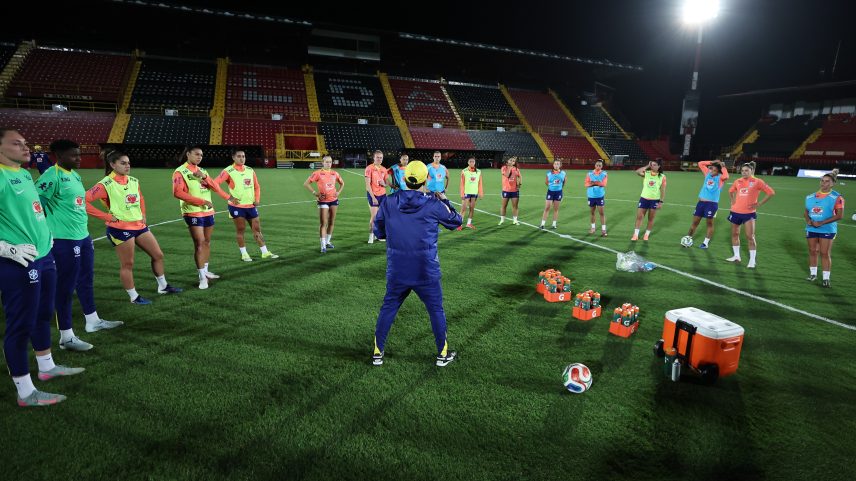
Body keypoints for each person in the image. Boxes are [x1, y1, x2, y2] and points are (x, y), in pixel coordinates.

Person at [1, 128, 84, 407]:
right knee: (20, 324)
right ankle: (25, 392)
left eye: (25, 143)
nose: (26, 148)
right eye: (17, 143)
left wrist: (47, 239)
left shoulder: (24, 173)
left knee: (44, 313)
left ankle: (46, 366)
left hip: (44, 255)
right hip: (19, 261)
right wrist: (7, 249)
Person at [371, 160, 462, 367]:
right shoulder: (433, 203)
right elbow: (456, 221)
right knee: (436, 310)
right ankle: (442, 354)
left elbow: (379, 231)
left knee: (388, 308)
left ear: (405, 178)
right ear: (425, 180)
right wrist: (445, 200)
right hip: (425, 270)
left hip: (398, 268)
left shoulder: (389, 202)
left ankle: (378, 353)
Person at [37, 140, 123, 353]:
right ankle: (66, 337)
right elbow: (37, 208)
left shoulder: (74, 175)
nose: (79, 158)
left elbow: (79, 204)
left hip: (83, 237)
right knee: (65, 287)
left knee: (86, 279)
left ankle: (92, 321)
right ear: (58, 155)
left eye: (79, 154)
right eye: (74, 155)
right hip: (63, 240)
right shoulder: (51, 176)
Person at [86, 149, 183, 304]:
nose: (127, 166)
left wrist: (143, 214)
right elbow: (83, 201)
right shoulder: (106, 184)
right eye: (123, 163)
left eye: (128, 163)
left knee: (158, 255)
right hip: (120, 229)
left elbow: (140, 197)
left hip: (138, 225)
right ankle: (133, 296)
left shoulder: (133, 181)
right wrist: (106, 217)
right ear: (112, 164)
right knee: (128, 263)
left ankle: (163, 286)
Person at [172, 146, 235, 289]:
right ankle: (201, 278)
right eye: (196, 154)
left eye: (201, 155)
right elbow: (177, 193)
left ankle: (205, 271)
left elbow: (214, 187)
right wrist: (201, 201)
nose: (199, 157)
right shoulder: (180, 172)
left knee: (207, 242)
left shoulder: (203, 171)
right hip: (193, 212)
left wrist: (205, 177)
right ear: (188, 154)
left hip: (208, 212)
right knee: (199, 243)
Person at [212, 148, 278, 262]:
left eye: (243, 156)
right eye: (239, 156)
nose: (242, 158)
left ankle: (265, 252)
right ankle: (244, 254)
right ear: (233, 157)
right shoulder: (228, 171)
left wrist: (257, 199)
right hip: (237, 207)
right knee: (241, 230)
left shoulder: (250, 170)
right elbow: (214, 184)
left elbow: (257, 186)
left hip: (251, 206)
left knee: (257, 229)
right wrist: (229, 197)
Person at [726, 161, 776, 268]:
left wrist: (758, 204)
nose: (744, 173)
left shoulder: (757, 181)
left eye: (746, 170)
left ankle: (752, 261)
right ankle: (736, 256)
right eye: (742, 171)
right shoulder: (737, 181)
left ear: (752, 170)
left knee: (750, 237)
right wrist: (732, 201)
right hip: (735, 212)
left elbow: (771, 192)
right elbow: (730, 191)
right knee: (735, 234)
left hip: (748, 214)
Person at [804, 169, 843, 287]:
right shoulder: (810, 197)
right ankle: (813, 275)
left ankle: (826, 279)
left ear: (832, 183)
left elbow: (840, 215)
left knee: (824, 253)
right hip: (811, 228)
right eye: (822, 181)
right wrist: (809, 221)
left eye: (827, 181)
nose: (823, 183)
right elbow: (806, 212)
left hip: (827, 229)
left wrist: (822, 222)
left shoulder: (837, 197)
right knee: (812, 251)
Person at [304, 155, 344, 253]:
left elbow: (342, 183)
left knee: (331, 222)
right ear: (322, 163)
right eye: (326, 162)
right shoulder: (317, 173)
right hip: (323, 201)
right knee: (323, 223)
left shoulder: (335, 173)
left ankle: (327, 242)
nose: (328, 163)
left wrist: (338, 192)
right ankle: (323, 246)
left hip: (334, 200)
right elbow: (306, 183)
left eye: (330, 162)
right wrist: (315, 193)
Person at [684, 159, 729, 249]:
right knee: (695, 222)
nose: (712, 171)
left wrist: (723, 166)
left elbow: (726, 176)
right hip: (701, 203)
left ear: (718, 172)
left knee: (709, 223)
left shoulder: (720, 178)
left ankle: (705, 243)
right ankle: (688, 239)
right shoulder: (707, 174)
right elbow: (700, 163)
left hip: (711, 204)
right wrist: (712, 162)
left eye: (714, 170)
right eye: (711, 169)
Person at [631, 158, 667, 241]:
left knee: (651, 219)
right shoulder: (646, 173)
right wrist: (647, 165)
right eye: (652, 164)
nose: (652, 166)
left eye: (654, 165)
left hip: (654, 200)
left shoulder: (662, 177)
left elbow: (663, 190)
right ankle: (635, 235)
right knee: (639, 217)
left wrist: (661, 202)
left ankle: (646, 235)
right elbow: (637, 172)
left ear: (659, 166)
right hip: (644, 198)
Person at [364, 149, 388, 244]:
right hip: (373, 195)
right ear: (373, 158)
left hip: (383, 195)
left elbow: (386, 183)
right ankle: (371, 236)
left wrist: (384, 184)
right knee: (374, 217)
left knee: (382, 217)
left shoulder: (383, 169)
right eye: (377, 157)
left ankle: (379, 235)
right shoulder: (369, 168)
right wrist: (373, 198)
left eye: (381, 158)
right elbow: (367, 185)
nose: (379, 159)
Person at [584, 159, 608, 236]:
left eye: (600, 165)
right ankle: (593, 228)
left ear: (602, 166)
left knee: (602, 213)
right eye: (597, 165)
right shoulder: (589, 173)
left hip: (600, 196)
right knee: (592, 212)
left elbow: (603, 184)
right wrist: (597, 183)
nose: (598, 167)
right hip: (591, 196)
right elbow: (586, 184)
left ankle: (603, 230)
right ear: (595, 165)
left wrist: (593, 183)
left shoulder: (604, 174)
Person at [458, 156, 483, 229]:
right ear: (468, 162)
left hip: (474, 193)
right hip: (466, 192)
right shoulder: (464, 171)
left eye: (473, 161)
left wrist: (480, 193)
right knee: (463, 208)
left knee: (472, 208)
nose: (472, 163)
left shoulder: (479, 171)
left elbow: (480, 183)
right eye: (470, 161)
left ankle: (469, 223)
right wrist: (462, 193)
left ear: (475, 162)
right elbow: (462, 183)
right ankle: (459, 224)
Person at [540, 160, 566, 230]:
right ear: (553, 165)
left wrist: (559, 188)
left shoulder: (563, 173)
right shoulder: (549, 173)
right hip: (550, 192)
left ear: (560, 165)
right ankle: (542, 224)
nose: (556, 165)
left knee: (556, 209)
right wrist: (552, 186)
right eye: (555, 164)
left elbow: (564, 182)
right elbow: (546, 182)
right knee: (547, 207)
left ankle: (554, 224)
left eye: (558, 164)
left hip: (558, 192)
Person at [498, 156, 522, 225]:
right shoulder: (504, 168)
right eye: (510, 160)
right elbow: (507, 175)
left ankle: (515, 220)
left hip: (514, 190)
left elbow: (520, 176)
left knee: (515, 206)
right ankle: (502, 220)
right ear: (507, 161)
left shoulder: (516, 169)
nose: (512, 162)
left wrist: (519, 184)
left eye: (513, 161)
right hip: (506, 190)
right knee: (504, 206)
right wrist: (510, 167)